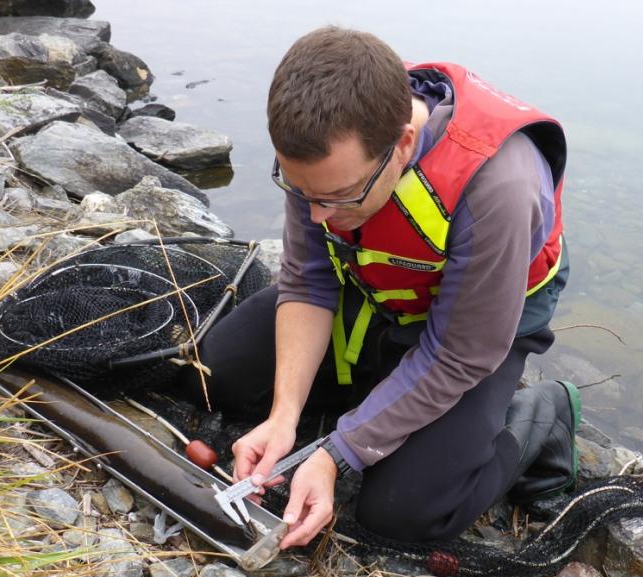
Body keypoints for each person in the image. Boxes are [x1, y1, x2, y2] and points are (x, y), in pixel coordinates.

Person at [186, 26, 580, 549]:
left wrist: (336, 453)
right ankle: (379, 385)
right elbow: (307, 280)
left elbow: (459, 354)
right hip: (376, 291)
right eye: (302, 191)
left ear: (404, 144)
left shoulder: (500, 189)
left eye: (340, 196)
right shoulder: (320, 158)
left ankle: (540, 415)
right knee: (214, 376)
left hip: (474, 331)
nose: (318, 214)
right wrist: (284, 417)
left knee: (402, 515)